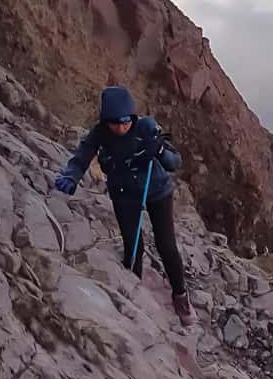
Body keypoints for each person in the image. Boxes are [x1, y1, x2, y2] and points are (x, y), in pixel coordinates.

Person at [54, 86, 196, 327]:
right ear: (105, 121)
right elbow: (82, 155)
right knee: (133, 247)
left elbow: (175, 162)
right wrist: (71, 176)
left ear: (132, 116)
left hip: (157, 191)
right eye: (114, 123)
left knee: (166, 245)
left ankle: (180, 295)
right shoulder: (100, 134)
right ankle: (135, 294)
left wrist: (159, 150)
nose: (121, 127)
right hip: (124, 195)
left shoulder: (147, 128)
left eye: (125, 121)